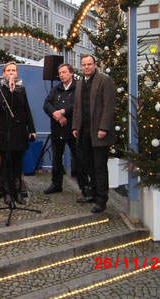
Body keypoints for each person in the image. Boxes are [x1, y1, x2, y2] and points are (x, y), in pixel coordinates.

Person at [72, 54, 116, 213]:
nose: (86, 67)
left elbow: (109, 106)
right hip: (83, 132)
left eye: (89, 64)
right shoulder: (79, 83)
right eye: (84, 64)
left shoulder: (104, 81)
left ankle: (102, 200)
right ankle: (93, 193)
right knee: (88, 166)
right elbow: (77, 107)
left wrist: (104, 128)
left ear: (95, 65)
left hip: (98, 132)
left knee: (99, 167)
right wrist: (75, 127)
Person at [0, 61, 36, 205]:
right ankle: (6, 192)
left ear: (17, 73)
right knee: (6, 162)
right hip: (5, 130)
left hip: (19, 130)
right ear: (4, 73)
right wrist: (10, 90)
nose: (11, 73)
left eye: (14, 70)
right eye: (8, 70)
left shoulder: (22, 89)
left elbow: (26, 109)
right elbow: (2, 106)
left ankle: (18, 192)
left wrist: (32, 129)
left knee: (18, 162)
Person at [43, 63, 78, 194]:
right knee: (56, 159)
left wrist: (63, 111)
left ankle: (85, 186)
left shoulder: (78, 88)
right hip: (57, 129)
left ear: (71, 73)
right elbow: (46, 104)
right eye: (60, 73)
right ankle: (56, 184)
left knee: (79, 158)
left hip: (72, 129)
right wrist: (56, 115)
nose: (62, 75)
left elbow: (77, 105)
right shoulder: (56, 89)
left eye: (64, 72)